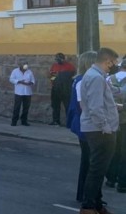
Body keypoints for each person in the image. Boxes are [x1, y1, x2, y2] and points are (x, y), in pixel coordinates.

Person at [79, 47, 120, 214]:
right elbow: (96, 108)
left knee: (97, 169)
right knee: (97, 170)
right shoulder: (96, 78)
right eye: (113, 63)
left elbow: (99, 101)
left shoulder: (95, 75)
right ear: (107, 61)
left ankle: (95, 205)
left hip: (96, 128)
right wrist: (106, 127)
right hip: (99, 131)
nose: (114, 66)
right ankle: (89, 206)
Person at [69, 51, 98, 203]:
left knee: (90, 161)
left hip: (84, 124)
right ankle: (85, 195)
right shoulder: (82, 81)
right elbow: (83, 107)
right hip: (85, 125)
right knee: (88, 162)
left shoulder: (82, 80)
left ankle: (89, 195)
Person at [106, 60, 126, 191]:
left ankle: (111, 178)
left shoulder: (108, 79)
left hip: (111, 120)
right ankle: (123, 183)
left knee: (113, 150)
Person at [49, 52, 76, 126]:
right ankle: (56, 121)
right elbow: (52, 76)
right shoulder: (54, 66)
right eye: (57, 59)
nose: (58, 61)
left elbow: (72, 77)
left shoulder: (70, 66)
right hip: (56, 88)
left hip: (66, 89)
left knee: (67, 106)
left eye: (59, 59)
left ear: (63, 59)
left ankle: (69, 122)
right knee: (55, 105)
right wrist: (52, 83)